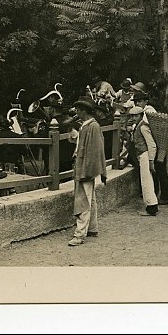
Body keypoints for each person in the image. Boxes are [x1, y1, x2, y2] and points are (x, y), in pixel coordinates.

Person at [68, 100, 107, 246]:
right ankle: (92, 228)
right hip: (82, 164)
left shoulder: (93, 126)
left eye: (78, 110)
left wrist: (88, 169)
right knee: (90, 198)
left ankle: (79, 234)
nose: (77, 112)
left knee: (82, 200)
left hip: (86, 167)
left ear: (85, 111)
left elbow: (96, 150)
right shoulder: (85, 126)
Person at [134, 91, 168, 205]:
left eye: (140, 101)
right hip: (155, 144)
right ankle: (158, 194)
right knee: (157, 171)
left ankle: (165, 196)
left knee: (160, 170)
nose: (138, 103)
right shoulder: (144, 111)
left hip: (158, 145)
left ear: (146, 101)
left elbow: (146, 125)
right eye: (136, 102)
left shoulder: (149, 111)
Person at [127, 105, 159, 216]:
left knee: (147, 182)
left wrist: (151, 160)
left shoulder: (143, 127)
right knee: (146, 181)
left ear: (141, 116)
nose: (134, 118)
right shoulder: (137, 126)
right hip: (141, 155)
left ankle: (151, 207)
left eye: (136, 115)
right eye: (132, 116)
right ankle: (151, 206)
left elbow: (152, 145)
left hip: (145, 155)